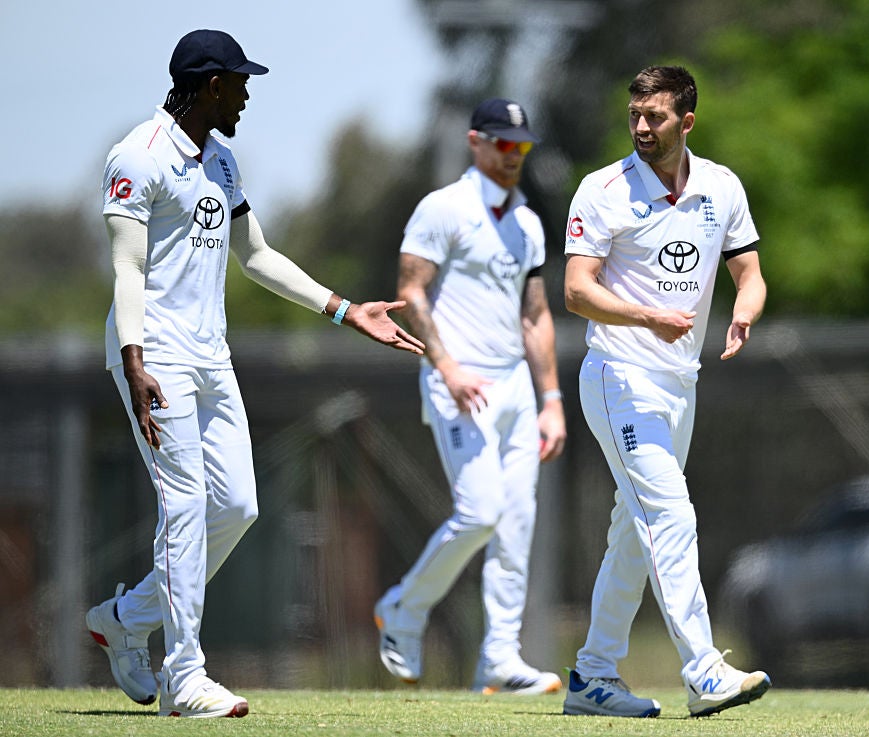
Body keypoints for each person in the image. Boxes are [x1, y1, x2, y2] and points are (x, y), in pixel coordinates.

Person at [85, 29, 424, 719]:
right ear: (211, 86)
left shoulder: (222, 161)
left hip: (213, 357)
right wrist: (134, 359)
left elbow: (257, 254)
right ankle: (184, 679)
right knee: (182, 508)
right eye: (239, 83)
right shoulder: (139, 155)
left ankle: (124, 617)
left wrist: (345, 309)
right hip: (155, 356)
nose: (245, 95)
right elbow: (126, 267)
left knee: (237, 506)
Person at [559, 65, 770, 719]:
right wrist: (646, 316)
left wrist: (745, 309)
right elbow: (575, 290)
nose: (642, 127)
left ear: (687, 120)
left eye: (655, 116)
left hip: (682, 385)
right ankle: (704, 672)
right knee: (670, 516)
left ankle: (593, 675)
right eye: (635, 116)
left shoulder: (721, 187)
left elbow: (751, 272)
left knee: (635, 529)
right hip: (619, 378)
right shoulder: (601, 191)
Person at [373, 98, 567, 695]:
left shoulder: (527, 221)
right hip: (458, 382)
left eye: (522, 147)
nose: (513, 156)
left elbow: (535, 317)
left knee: (517, 521)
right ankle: (403, 607)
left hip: (513, 387)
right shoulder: (444, 208)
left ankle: (501, 660)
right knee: (480, 512)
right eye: (503, 145)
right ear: (475, 141)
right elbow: (411, 292)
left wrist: (552, 397)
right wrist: (448, 367)